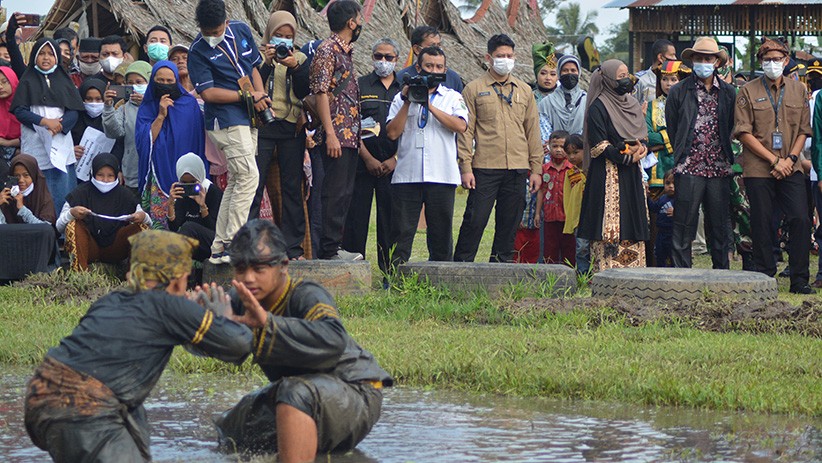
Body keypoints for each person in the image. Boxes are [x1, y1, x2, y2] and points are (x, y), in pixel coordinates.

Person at [24, 229, 253, 463]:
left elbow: (191, 344)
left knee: (134, 414)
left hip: (40, 396)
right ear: (176, 279)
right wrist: (222, 317)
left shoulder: (110, 301)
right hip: (84, 409)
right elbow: (239, 345)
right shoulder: (168, 305)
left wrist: (195, 321)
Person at [213, 219, 392, 462]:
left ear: (283, 266)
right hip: (309, 389)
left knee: (294, 392)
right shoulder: (239, 298)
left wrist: (267, 321)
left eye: (259, 269)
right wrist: (206, 325)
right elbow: (232, 348)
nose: (249, 278)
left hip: (357, 391)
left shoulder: (306, 294)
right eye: (241, 269)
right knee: (232, 426)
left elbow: (334, 340)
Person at [188, 0, 269, 265]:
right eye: (207, 32)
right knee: (249, 176)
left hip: (248, 116)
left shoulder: (242, 30)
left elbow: (254, 68)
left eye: (216, 30)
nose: (212, 36)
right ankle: (235, 242)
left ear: (226, 20)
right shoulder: (197, 51)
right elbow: (208, 93)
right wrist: (245, 96)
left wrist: (260, 97)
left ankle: (220, 246)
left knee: (237, 179)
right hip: (225, 119)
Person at [454, 34, 543, 263]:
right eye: (500, 56)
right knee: (475, 221)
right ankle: (461, 268)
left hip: (517, 167)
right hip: (484, 167)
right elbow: (466, 132)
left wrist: (536, 170)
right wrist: (466, 167)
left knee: (509, 225)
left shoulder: (524, 90)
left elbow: (533, 132)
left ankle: (500, 271)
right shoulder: (473, 89)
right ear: (488, 58)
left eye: (509, 56)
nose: (505, 60)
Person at [734, 37, 813, 294]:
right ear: (760, 62)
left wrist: (790, 159)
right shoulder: (748, 91)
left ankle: (799, 279)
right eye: (767, 60)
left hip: (791, 165)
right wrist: (774, 160)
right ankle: (765, 274)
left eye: (777, 59)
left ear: (786, 60)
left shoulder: (799, 90)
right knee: (762, 221)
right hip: (760, 167)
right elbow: (744, 133)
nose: (772, 64)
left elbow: (803, 130)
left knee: (800, 218)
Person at [385, 46, 467, 267]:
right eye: (429, 66)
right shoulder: (400, 97)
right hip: (407, 175)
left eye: (439, 67)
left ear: (445, 69)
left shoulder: (452, 97)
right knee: (401, 231)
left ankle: (441, 279)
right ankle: (395, 277)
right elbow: (392, 133)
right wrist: (409, 101)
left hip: (442, 175)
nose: (433, 70)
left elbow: (460, 125)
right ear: (418, 68)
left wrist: (429, 106)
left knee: (441, 233)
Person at [666, 37, 736, 270]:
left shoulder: (728, 93)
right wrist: (682, 156)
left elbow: (732, 126)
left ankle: (721, 276)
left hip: (719, 166)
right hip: (689, 166)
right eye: (699, 58)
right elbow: (674, 127)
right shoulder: (679, 91)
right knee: (683, 225)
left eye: (708, 58)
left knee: (719, 226)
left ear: (717, 62)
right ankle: (681, 275)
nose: (703, 62)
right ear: (692, 61)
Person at [248, 11, 311, 261]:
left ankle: (293, 248)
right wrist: (266, 62)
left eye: (288, 36)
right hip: (263, 127)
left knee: (292, 189)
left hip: (291, 128)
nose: (283, 41)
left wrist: (294, 65)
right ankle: (250, 244)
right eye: (278, 36)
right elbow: (254, 88)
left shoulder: (301, 58)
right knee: (254, 184)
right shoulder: (257, 57)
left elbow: (305, 91)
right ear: (269, 35)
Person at [577, 59, 650, 272]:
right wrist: (627, 156)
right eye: (620, 77)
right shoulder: (598, 106)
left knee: (633, 219)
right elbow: (599, 145)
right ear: (608, 80)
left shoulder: (632, 104)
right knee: (611, 222)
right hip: (608, 174)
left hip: (632, 174)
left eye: (627, 75)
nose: (626, 80)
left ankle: (634, 272)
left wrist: (641, 150)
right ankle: (608, 272)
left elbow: (642, 135)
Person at [309, 0, 365, 260]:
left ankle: (336, 247)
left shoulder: (346, 52)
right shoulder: (327, 50)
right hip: (336, 134)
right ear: (350, 22)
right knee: (333, 193)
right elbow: (320, 93)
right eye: (358, 18)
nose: (361, 22)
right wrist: (330, 134)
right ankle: (329, 250)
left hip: (349, 135)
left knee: (344, 193)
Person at [342, 38, 401, 271]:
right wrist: (367, 158)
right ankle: (355, 272)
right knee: (356, 220)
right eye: (379, 56)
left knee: (389, 221)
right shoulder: (360, 85)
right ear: (372, 57)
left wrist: (395, 159)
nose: (383, 62)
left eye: (389, 57)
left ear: (396, 59)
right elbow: (350, 124)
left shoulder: (404, 87)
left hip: (393, 166)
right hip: (362, 164)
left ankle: (389, 272)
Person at [11, 38, 84, 217]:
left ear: (57, 57)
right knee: (38, 185)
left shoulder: (65, 80)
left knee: (62, 187)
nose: (46, 58)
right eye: (42, 53)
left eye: (51, 54)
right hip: (36, 141)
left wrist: (59, 126)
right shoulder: (27, 80)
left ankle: (62, 231)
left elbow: (74, 110)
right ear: (34, 56)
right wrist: (44, 122)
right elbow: (20, 110)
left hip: (60, 139)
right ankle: (41, 227)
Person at [136, 61, 206, 230]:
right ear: (153, 81)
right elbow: (145, 142)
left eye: (170, 81)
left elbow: (198, 140)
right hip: (159, 172)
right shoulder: (147, 107)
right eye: (160, 81)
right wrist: (161, 115)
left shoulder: (190, 105)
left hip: (187, 176)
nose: (165, 85)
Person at [58, 154, 151, 270]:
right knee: (74, 225)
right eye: (100, 175)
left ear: (116, 175)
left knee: (141, 229)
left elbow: (148, 221)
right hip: (89, 247)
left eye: (110, 176)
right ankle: (79, 273)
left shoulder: (125, 195)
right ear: (93, 173)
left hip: (116, 247)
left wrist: (141, 216)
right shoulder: (81, 192)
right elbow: (59, 226)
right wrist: (71, 213)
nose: (105, 180)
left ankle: (133, 276)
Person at [103, 60, 151, 198]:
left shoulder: (159, 105)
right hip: (132, 172)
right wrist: (108, 106)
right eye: (129, 82)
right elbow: (114, 132)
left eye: (139, 81)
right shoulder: (124, 107)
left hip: (155, 172)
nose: (134, 85)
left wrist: (147, 106)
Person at [168, 153, 222, 261]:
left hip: (213, 244)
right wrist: (170, 205)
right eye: (184, 183)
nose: (189, 187)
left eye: (193, 182)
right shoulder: (182, 193)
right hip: (193, 245)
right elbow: (174, 227)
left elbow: (215, 229)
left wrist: (202, 206)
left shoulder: (213, 192)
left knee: (189, 227)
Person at [645, 60, 689, 191]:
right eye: (664, 79)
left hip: (684, 164)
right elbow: (647, 136)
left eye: (673, 79)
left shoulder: (688, 105)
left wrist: (661, 143)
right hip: (657, 168)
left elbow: (688, 134)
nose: (668, 84)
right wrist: (672, 139)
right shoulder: (651, 106)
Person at [514, 115, 551, 264]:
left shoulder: (540, 175)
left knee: (533, 248)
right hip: (520, 219)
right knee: (517, 247)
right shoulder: (520, 175)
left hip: (534, 220)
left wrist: (537, 214)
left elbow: (541, 192)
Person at [536, 130, 575, 266]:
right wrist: (537, 213)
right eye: (554, 146)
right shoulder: (545, 169)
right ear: (549, 147)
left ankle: (570, 275)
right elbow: (542, 191)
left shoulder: (572, 169)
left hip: (568, 218)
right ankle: (550, 276)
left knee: (569, 248)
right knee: (549, 249)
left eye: (562, 147)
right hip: (549, 216)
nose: (558, 150)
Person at [395, 26, 463, 92]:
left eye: (439, 45)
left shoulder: (453, 78)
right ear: (417, 49)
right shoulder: (401, 78)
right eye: (432, 46)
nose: (436, 50)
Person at [71, 78, 119, 171]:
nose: (94, 103)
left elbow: (119, 144)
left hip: (108, 173)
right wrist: (71, 150)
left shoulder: (113, 118)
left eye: (98, 99)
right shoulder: (74, 119)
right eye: (89, 99)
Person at [538, 55, 586, 134]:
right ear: (559, 73)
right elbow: (544, 133)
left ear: (579, 73)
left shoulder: (587, 100)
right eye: (565, 70)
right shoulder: (547, 102)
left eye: (573, 70)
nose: (569, 73)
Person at [563, 134, 589, 274]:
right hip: (578, 217)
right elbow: (567, 196)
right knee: (581, 247)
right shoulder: (571, 173)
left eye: (576, 152)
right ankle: (583, 274)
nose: (572, 157)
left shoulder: (592, 170)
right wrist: (570, 216)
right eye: (569, 154)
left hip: (592, 215)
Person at [634, 39, 677, 105]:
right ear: (661, 57)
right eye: (672, 55)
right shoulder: (640, 80)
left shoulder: (677, 79)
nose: (675, 59)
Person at [648, 170, 676, 267]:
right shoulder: (663, 198)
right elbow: (654, 208)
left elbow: (686, 213)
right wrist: (647, 197)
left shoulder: (679, 199)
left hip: (673, 234)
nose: (671, 186)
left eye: (674, 183)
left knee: (673, 256)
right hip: (661, 233)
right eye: (667, 183)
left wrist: (677, 212)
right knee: (660, 254)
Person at [0, 66, 20, 164]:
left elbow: (32, 135)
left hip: (24, 153)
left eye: (4, 82)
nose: (0, 86)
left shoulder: (24, 106)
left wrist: (8, 143)